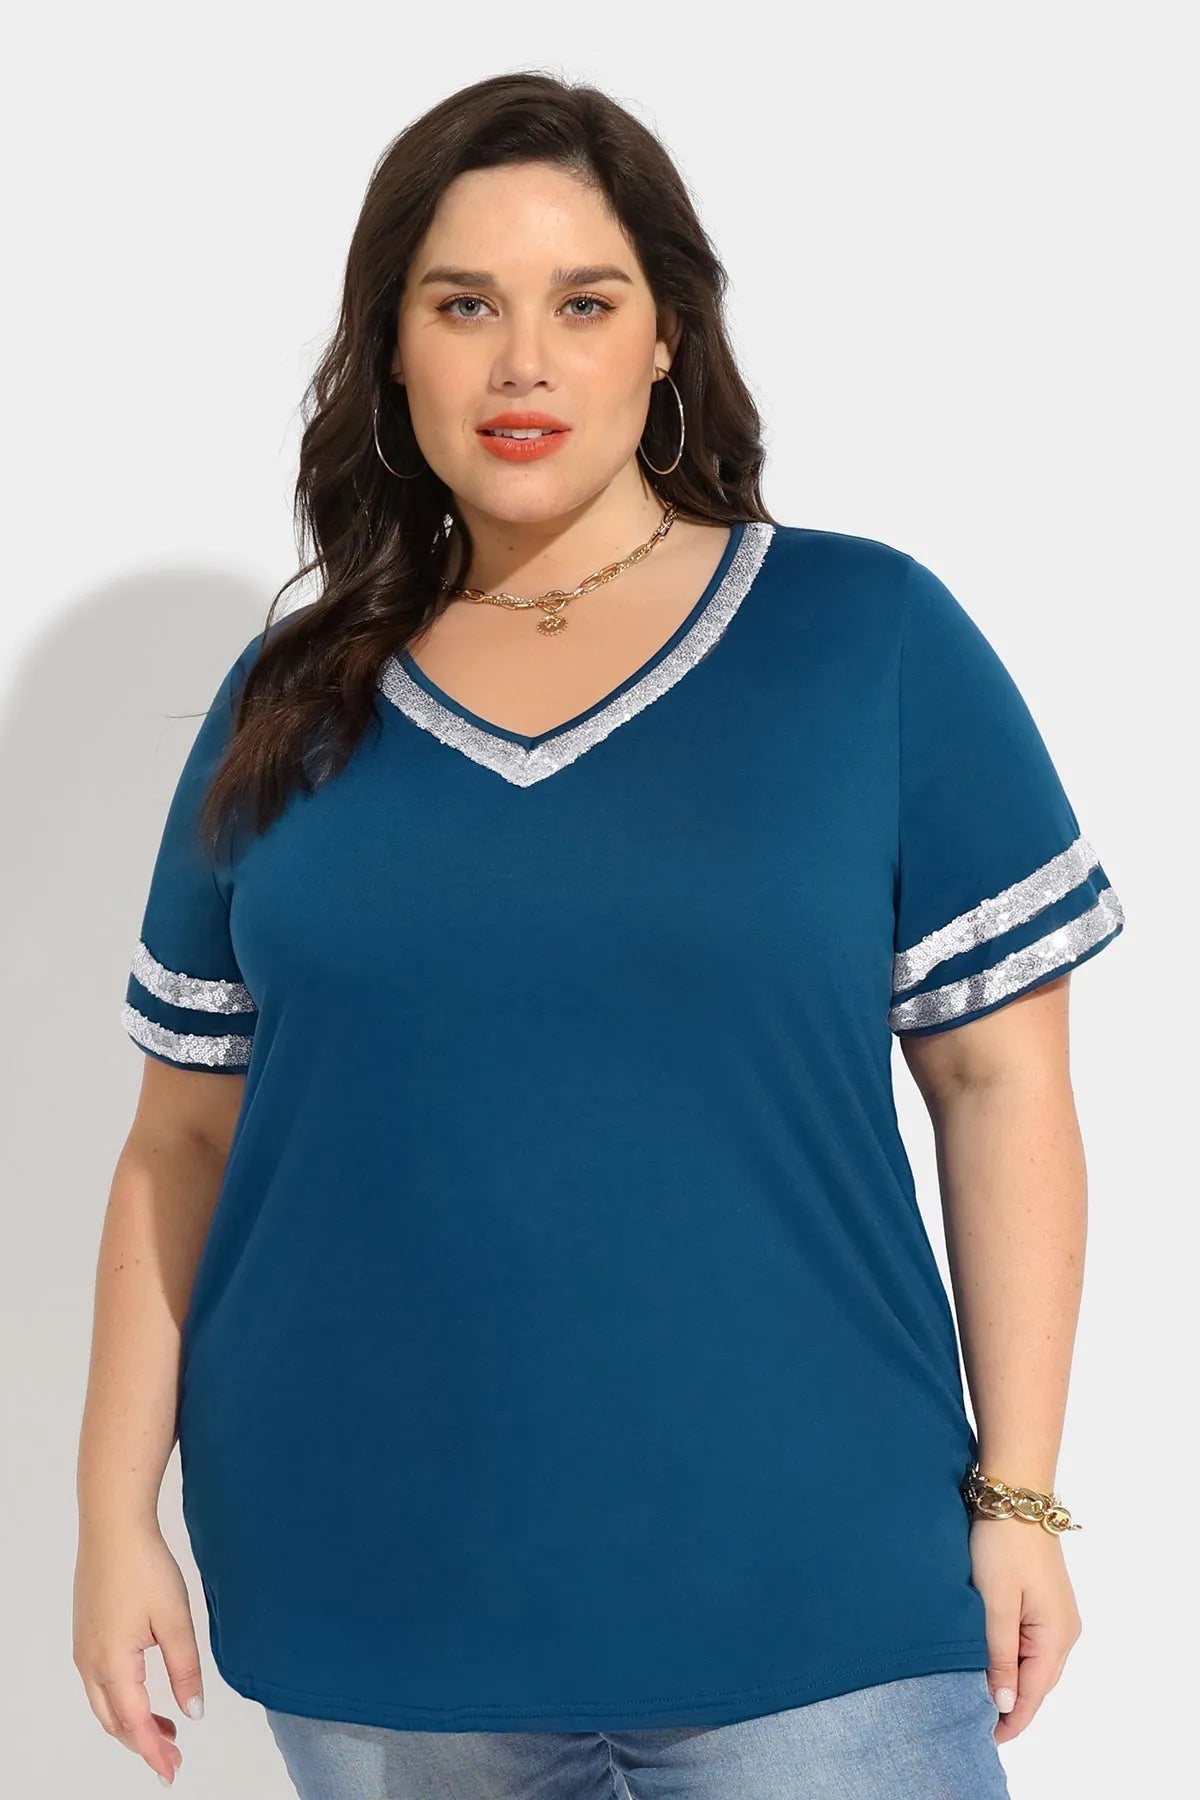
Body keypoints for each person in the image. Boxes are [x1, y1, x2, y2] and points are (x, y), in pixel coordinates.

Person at [72, 71, 1124, 1800]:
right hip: (374, 1609)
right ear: (389, 348)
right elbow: (178, 1139)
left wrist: (1019, 1495)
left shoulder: (862, 639)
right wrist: (112, 1515)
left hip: (820, 1607)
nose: (522, 364)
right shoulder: (289, 705)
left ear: (665, 339)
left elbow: (1003, 1085)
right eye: (461, 305)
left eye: (583, 302)